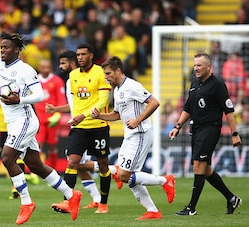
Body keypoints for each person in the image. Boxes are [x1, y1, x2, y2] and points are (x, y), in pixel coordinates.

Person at [0, 10, 82, 225]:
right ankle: (72, 195)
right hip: (14, 123)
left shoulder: (26, 70)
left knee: (7, 158)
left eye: (6, 47)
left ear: (17, 50)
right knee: (35, 165)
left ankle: (26, 202)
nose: (2, 50)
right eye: (0, 47)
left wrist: (19, 100)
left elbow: (40, 95)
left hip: (25, 120)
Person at [91, 56, 175, 220]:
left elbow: (154, 102)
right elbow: (117, 115)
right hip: (129, 136)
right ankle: (152, 211)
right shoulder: (117, 90)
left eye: (108, 73)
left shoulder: (132, 86)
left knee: (124, 175)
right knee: (129, 177)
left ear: (118, 71)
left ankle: (165, 181)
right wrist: (99, 116)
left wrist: (138, 120)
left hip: (141, 134)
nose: (106, 77)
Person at [47, 50, 122, 212]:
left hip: (98, 126)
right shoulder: (73, 76)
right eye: (78, 54)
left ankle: (103, 203)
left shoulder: (100, 73)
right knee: (73, 162)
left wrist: (83, 115)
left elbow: (103, 101)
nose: (80, 57)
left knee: (103, 165)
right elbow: (74, 104)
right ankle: (68, 201)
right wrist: (58, 110)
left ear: (91, 56)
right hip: (78, 127)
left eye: (83, 54)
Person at [169, 53, 242, 216]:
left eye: (199, 65)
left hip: (210, 129)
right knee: (206, 169)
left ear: (208, 67)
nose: (196, 68)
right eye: (194, 65)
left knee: (198, 165)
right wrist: (178, 126)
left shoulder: (217, 84)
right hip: (196, 129)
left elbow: (228, 110)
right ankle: (232, 198)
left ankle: (191, 208)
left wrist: (234, 133)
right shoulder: (194, 83)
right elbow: (188, 108)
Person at [34, 59, 67, 169]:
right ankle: (37, 169)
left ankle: (52, 168)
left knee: (52, 145)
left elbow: (61, 99)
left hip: (52, 119)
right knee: (38, 144)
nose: (46, 70)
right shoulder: (34, 81)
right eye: (44, 68)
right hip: (38, 118)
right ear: (39, 68)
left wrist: (57, 115)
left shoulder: (57, 81)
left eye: (48, 67)